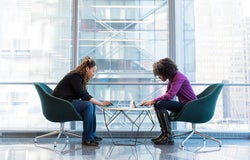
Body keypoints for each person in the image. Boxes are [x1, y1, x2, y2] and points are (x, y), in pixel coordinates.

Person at [52, 56, 112, 146]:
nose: (93, 74)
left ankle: (91, 135)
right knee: (88, 105)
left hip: (67, 101)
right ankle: (87, 139)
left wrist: (98, 103)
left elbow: (84, 94)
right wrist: (100, 103)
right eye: (93, 71)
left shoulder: (80, 76)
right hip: (60, 103)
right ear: (87, 69)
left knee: (91, 104)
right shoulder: (75, 76)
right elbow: (83, 95)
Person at [140, 58, 197, 145]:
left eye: (159, 74)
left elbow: (170, 96)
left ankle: (167, 135)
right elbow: (168, 94)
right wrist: (154, 102)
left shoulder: (178, 77)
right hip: (185, 105)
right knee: (158, 104)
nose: (159, 77)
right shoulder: (172, 78)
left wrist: (152, 100)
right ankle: (164, 134)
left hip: (191, 106)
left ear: (165, 72)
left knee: (160, 103)